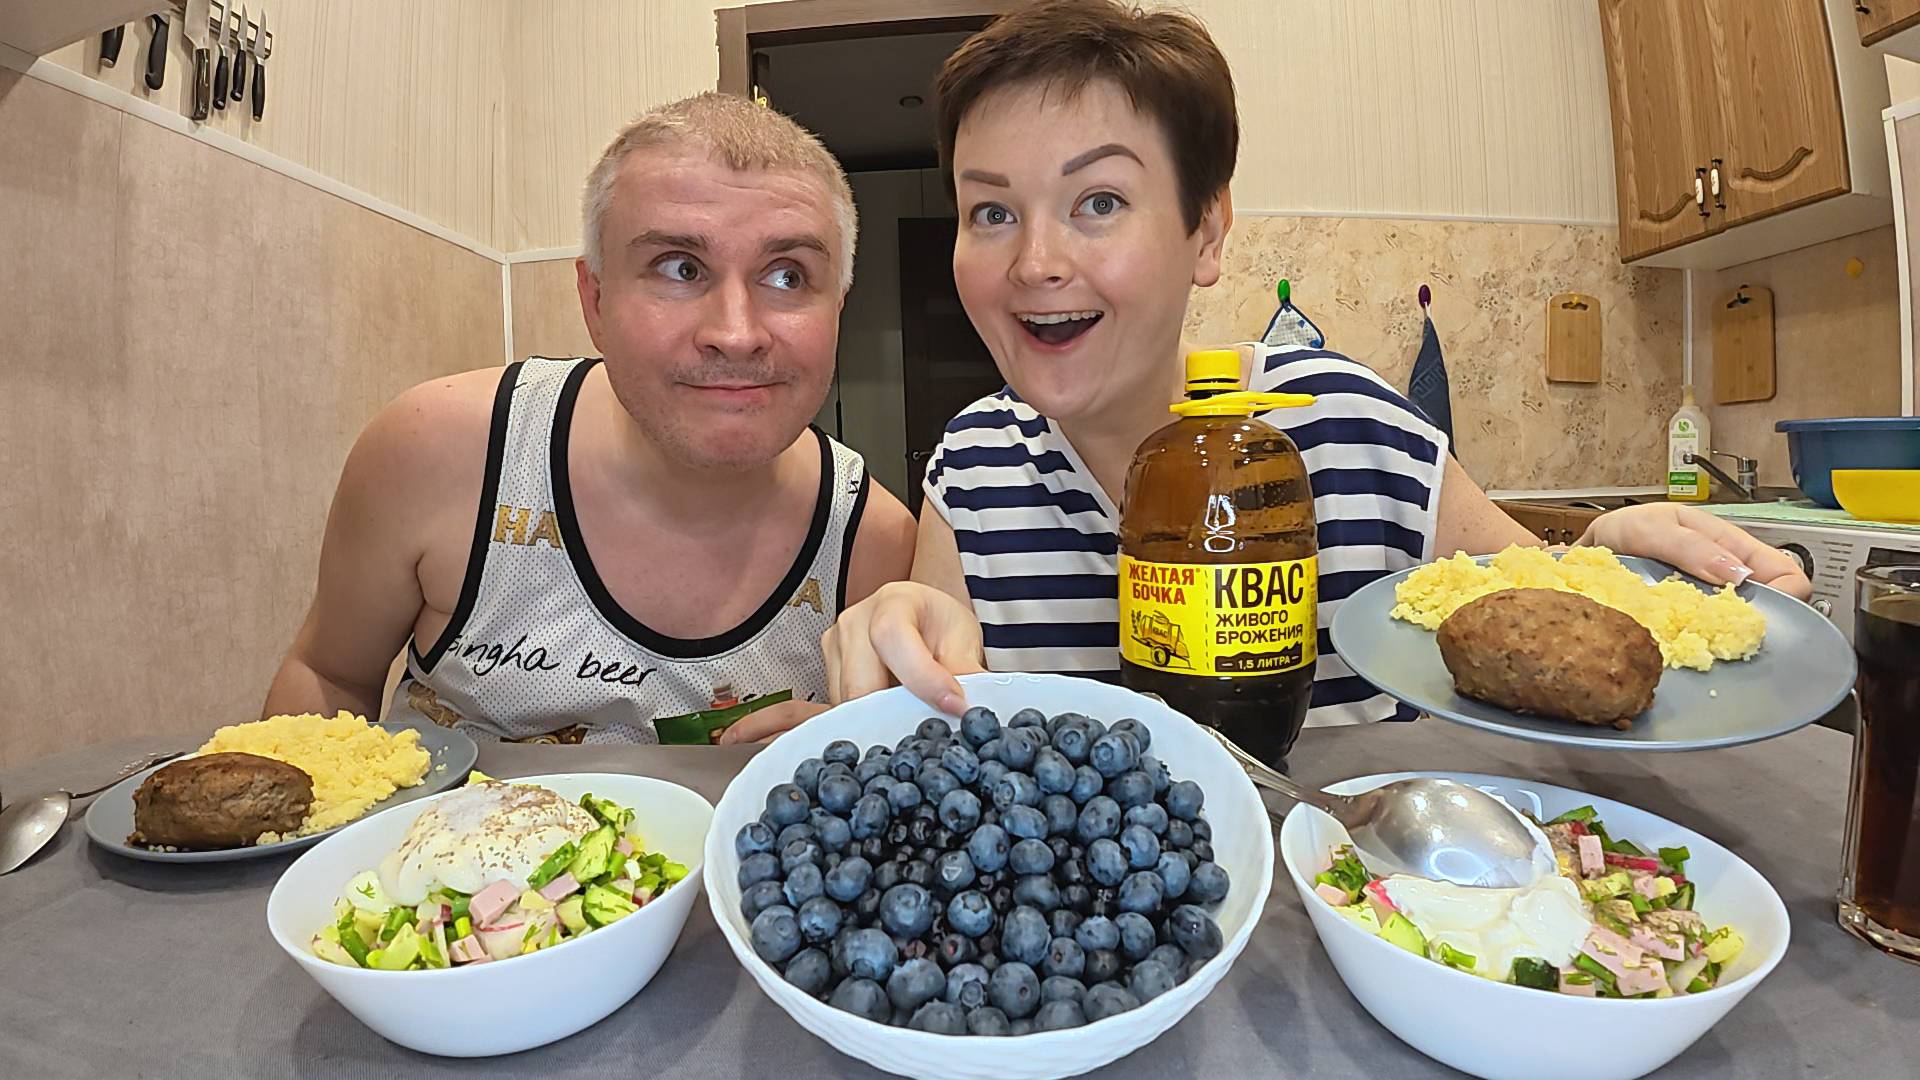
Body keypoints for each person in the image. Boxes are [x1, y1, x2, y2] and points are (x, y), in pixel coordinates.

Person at [822, 0, 1810, 724]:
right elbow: (941, 700)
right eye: (992, 211)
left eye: (1099, 202)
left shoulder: (1353, 428)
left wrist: (1616, 561)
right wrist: (897, 646)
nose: (1035, 262)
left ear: (1208, 231)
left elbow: (1543, 615)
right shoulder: (974, 464)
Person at [265, 93, 915, 746]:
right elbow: (329, 675)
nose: (737, 334)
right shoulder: (440, 450)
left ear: (838, 309)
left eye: (788, 277)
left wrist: (856, 757)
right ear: (595, 299)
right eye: (681, 268)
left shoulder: (873, 543)